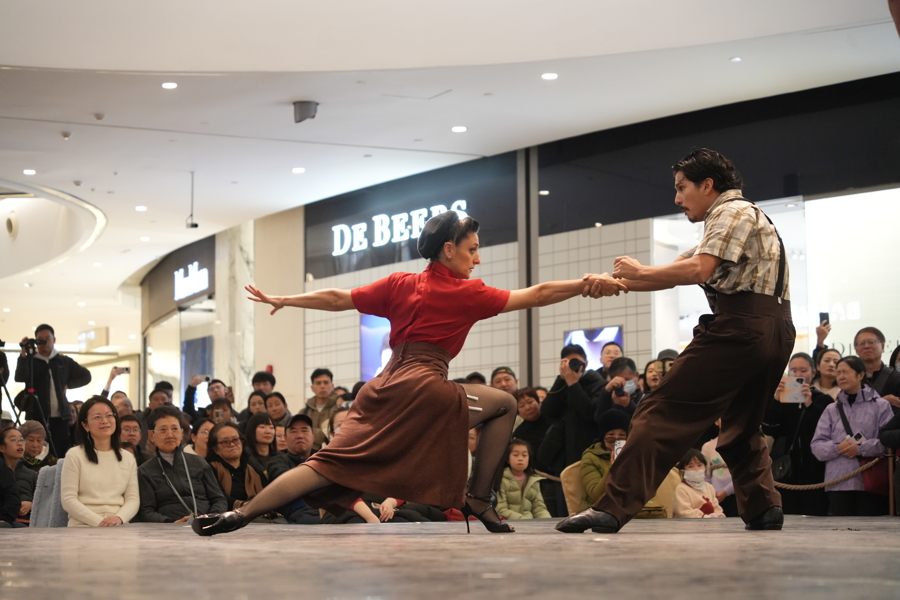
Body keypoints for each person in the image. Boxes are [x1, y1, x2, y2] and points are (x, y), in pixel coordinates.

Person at [192, 210, 625, 536]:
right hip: (425, 386)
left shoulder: (399, 283)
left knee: (327, 464)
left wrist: (286, 299)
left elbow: (338, 298)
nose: (477, 259)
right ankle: (479, 498)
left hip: (380, 389)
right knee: (506, 403)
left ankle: (239, 514)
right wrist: (584, 283)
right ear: (449, 249)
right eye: (472, 249)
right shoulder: (470, 293)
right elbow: (539, 293)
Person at [559, 148, 795, 534]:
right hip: (776, 330)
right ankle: (764, 507)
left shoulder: (730, 211)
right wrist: (611, 281)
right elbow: (671, 273)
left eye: (682, 187)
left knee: (658, 411)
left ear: (708, 185)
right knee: (741, 425)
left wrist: (637, 271)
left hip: (740, 327)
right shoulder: (742, 218)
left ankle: (612, 508)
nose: (677, 198)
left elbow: (696, 269)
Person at [810, 356, 893, 516]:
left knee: (870, 528)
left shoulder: (881, 406)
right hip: (838, 482)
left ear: (860, 375)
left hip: (871, 481)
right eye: (838, 372)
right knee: (841, 529)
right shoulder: (831, 409)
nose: (841, 376)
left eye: (845, 372)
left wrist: (860, 448)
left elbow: (887, 441)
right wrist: (837, 448)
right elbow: (817, 446)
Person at [763, 352, 832, 516]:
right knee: (788, 515)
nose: (798, 375)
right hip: (786, 470)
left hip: (815, 470)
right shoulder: (782, 400)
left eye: (803, 370)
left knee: (816, 514)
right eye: (793, 371)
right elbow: (769, 429)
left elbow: (826, 431)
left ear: (813, 372)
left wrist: (810, 405)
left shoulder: (824, 400)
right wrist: (776, 401)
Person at [137, 405, 227, 523]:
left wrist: (211, 517)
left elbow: (219, 499)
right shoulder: (145, 471)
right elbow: (146, 511)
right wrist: (170, 522)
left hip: (206, 525)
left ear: (181, 433)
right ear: (151, 435)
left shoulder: (199, 462)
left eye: (175, 429)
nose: (170, 435)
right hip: (168, 529)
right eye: (163, 430)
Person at [60, 396, 139, 527]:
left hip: (118, 526)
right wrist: (99, 522)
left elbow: (133, 499)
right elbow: (68, 499)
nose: (105, 421)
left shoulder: (128, 457)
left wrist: (119, 518)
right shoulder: (75, 455)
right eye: (97, 417)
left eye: (109, 415)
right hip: (82, 526)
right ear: (85, 425)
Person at [14, 324, 92, 456]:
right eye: (40, 339)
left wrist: (68, 385)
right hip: (36, 414)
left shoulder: (63, 361)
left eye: (47, 338)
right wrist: (23, 353)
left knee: (60, 451)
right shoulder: (31, 360)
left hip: (60, 416)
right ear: (36, 341)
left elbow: (86, 376)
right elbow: (19, 377)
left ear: (54, 339)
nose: (44, 341)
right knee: (36, 452)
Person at [541, 344, 605, 471]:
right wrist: (561, 379)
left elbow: (590, 413)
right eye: (568, 363)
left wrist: (573, 384)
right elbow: (547, 411)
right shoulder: (562, 385)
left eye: (577, 362)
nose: (573, 366)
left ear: (586, 363)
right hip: (563, 454)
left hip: (589, 451)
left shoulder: (599, 384)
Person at [267, 414, 320, 524]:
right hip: (301, 512)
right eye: (293, 431)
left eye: (304, 430)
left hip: (330, 509)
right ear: (285, 438)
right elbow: (288, 484)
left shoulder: (324, 459)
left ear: (313, 436)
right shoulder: (277, 462)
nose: (299, 435)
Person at [205, 422, 268, 512]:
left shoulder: (255, 471)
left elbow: (268, 497)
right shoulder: (210, 469)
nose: (232, 444)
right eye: (225, 442)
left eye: (235, 439)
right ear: (215, 448)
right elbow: (218, 497)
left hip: (257, 515)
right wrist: (245, 506)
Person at [578, 409, 631, 511]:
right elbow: (596, 495)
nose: (616, 439)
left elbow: (648, 492)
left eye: (622, 436)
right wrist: (613, 468)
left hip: (628, 510)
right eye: (611, 435)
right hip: (600, 511)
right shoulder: (591, 457)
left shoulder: (632, 456)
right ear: (603, 437)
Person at [496, 439, 550, 520]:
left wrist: (548, 522)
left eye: (524, 455)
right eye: (515, 455)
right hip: (510, 523)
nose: (520, 458)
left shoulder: (533, 480)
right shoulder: (501, 479)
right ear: (507, 459)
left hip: (530, 523)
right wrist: (524, 521)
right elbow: (501, 509)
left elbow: (539, 508)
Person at [854, 327, 900, 413]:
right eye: (862, 343)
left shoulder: (896, 378)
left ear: (882, 346)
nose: (866, 346)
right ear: (856, 350)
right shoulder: (851, 378)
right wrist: (881, 402)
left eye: (871, 342)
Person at [673, 449, 725, 519]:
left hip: (711, 524)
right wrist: (706, 517)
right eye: (690, 466)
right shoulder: (681, 489)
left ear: (705, 467)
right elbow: (683, 512)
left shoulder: (709, 487)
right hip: (689, 525)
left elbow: (716, 507)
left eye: (699, 465)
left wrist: (719, 516)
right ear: (682, 471)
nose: (696, 469)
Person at [0, 427, 36, 524]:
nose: (20, 443)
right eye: (13, 440)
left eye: (21, 440)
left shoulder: (31, 474)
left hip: (27, 523)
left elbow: (45, 501)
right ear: (2, 448)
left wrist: (31, 505)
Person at [594, 357, 642, 423]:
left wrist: (628, 405)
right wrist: (606, 392)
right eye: (619, 381)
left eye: (627, 379)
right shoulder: (609, 398)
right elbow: (599, 421)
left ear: (636, 376)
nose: (623, 384)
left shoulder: (646, 398)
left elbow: (644, 422)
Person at [301, 368, 340, 449]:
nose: (322, 386)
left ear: (332, 386)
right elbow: (299, 434)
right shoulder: (304, 412)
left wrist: (309, 432)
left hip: (333, 452)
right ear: (312, 388)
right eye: (318, 383)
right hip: (308, 454)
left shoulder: (340, 409)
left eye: (326, 382)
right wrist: (323, 433)